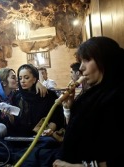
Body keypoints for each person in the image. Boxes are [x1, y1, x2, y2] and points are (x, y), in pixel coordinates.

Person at [52, 37, 124, 167]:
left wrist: (77, 166)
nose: (81, 68)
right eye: (81, 61)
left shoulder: (117, 98)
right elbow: (77, 133)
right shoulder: (94, 94)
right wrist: (69, 108)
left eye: (87, 60)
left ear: (106, 60)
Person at [0, 64, 65, 166]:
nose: (22, 81)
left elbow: (57, 118)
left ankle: (22, 158)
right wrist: (10, 117)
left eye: (26, 78)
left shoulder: (48, 95)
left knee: (50, 143)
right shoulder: (17, 96)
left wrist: (49, 130)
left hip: (39, 140)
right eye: (20, 78)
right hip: (20, 140)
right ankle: (29, 158)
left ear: (35, 79)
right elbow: (13, 125)